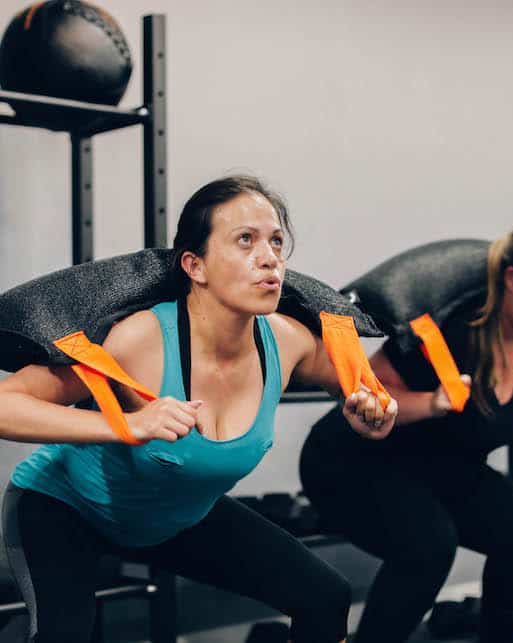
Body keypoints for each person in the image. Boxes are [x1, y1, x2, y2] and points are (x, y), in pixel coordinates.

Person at [0, 175, 397, 643]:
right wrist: (126, 424)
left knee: (325, 597)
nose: (269, 257)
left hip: (177, 517)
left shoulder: (289, 342)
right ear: (195, 265)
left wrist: (370, 412)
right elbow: (6, 405)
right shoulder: (138, 339)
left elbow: (363, 391)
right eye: (245, 240)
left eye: (275, 242)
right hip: (65, 509)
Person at [300, 218, 513, 643]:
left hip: (438, 465)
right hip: (355, 460)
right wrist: (433, 402)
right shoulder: (452, 328)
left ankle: (502, 635)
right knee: (428, 547)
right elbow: (367, 396)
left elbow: (509, 408)